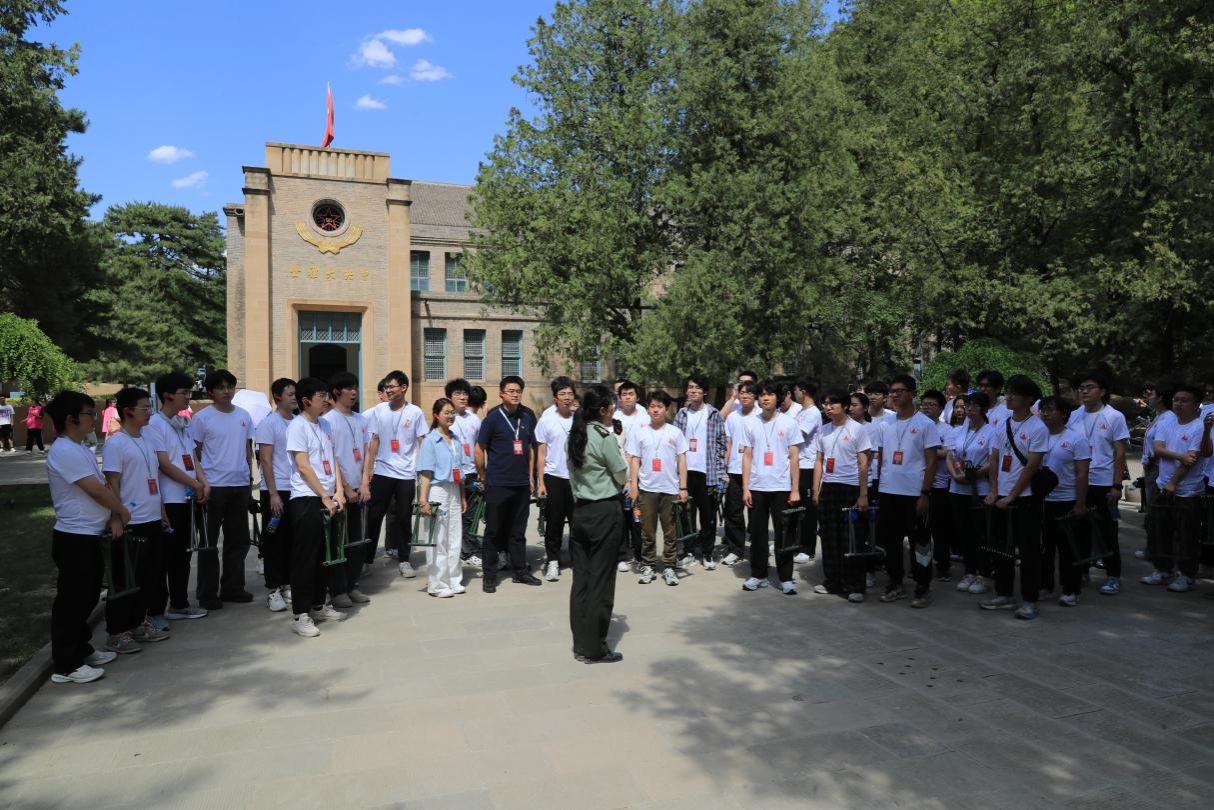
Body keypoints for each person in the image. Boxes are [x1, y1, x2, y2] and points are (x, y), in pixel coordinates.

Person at [45, 391, 127, 684]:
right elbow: (95, 490)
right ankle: (66, 665)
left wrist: (114, 515)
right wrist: (121, 511)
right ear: (71, 419)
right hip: (74, 537)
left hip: (89, 533)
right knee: (73, 600)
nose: (94, 419)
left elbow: (103, 485)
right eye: (89, 414)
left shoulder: (80, 448)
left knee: (88, 595)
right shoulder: (64, 451)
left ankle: (81, 649)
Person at [101, 386, 171, 652]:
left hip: (151, 517)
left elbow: (153, 480)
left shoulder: (147, 441)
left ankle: (138, 623)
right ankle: (117, 632)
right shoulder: (116, 443)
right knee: (126, 579)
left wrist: (162, 512)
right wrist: (115, 517)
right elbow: (112, 484)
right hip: (130, 521)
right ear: (128, 410)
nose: (149, 411)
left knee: (148, 577)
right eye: (144, 407)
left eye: (149, 406)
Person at [568, 385, 628, 664]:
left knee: (582, 579)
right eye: (611, 405)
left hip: (581, 510)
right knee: (601, 581)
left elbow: (571, 475)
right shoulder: (604, 437)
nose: (614, 409)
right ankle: (595, 648)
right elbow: (621, 473)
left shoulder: (575, 435)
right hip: (604, 510)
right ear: (602, 410)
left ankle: (581, 642)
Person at [284, 377, 347, 637]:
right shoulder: (297, 426)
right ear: (306, 400)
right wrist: (323, 495)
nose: (327, 400)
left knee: (324, 556)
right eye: (321, 396)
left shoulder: (325, 424)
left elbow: (333, 458)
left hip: (328, 497)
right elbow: (303, 466)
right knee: (305, 559)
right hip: (307, 498)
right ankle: (301, 614)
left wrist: (339, 490)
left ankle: (319, 605)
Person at [982, 375, 1048, 619]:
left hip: (1025, 498)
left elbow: (1032, 467)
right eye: (1008, 392)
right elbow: (994, 460)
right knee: (1001, 548)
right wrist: (993, 491)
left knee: (1028, 551)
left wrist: (1012, 495)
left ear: (1028, 399)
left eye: (1014, 394)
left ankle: (1030, 600)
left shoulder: (1037, 428)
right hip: (1000, 496)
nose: (1008, 397)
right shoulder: (1002, 425)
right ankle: (1004, 593)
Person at [145, 372, 210, 621]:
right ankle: (156, 610)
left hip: (188, 498)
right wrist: (194, 483)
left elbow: (192, 457)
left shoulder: (182, 423)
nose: (188, 397)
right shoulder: (155, 425)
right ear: (167, 395)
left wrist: (204, 482)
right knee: (166, 556)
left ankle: (180, 603)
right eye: (184, 392)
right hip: (170, 500)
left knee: (184, 553)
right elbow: (164, 464)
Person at [190, 369, 256, 610]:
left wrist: (249, 478)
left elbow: (247, 449)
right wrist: (201, 482)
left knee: (238, 541)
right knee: (209, 543)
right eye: (220, 387)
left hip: (239, 485)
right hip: (213, 487)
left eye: (230, 386)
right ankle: (207, 594)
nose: (227, 391)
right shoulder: (202, 418)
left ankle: (233, 587)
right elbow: (195, 452)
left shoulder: (244, 415)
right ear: (211, 392)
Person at [875, 375, 941, 608]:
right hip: (888, 491)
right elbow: (881, 458)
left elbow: (932, 461)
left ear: (913, 394)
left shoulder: (925, 424)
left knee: (920, 542)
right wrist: (880, 487)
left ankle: (923, 586)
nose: (894, 395)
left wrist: (925, 493)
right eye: (892, 391)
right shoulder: (885, 424)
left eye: (900, 391)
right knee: (891, 541)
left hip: (914, 493)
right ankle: (895, 582)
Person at [1140, 385, 1214, 593]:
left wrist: (1174, 482)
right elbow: (1158, 449)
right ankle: (1163, 570)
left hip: (1188, 491)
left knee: (1186, 535)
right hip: (1163, 485)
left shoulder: (1199, 427)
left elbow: (1192, 459)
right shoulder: (1167, 422)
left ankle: (1186, 575)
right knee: (1159, 530)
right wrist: (1179, 456)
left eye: (1185, 400)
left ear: (1197, 405)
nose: (1179, 403)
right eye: (1176, 399)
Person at [475, 376, 542, 593]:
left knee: (518, 531)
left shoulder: (526, 417)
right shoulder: (493, 418)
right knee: (493, 531)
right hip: (498, 483)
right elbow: (479, 448)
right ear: (501, 394)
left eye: (518, 391)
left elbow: (530, 448)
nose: (515, 394)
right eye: (511, 391)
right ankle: (489, 575)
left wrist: (531, 478)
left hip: (521, 484)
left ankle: (520, 571)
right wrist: (483, 475)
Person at [1067, 371, 1130, 595]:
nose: (1084, 391)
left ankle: (1113, 576)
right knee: (1079, 529)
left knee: (1106, 531)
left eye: (1090, 387)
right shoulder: (1074, 415)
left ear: (1102, 391)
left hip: (1103, 481)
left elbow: (1119, 453)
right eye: (1082, 387)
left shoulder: (1114, 416)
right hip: (1077, 480)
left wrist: (1117, 485)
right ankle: (1082, 571)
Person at [360, 370, 428, 577]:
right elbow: (374, 441)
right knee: (374, 517)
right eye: (386, 387)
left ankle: (405, 560)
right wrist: (368, 471)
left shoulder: (415, 412)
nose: (388, 390)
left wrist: (424, 471)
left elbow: (422, 440)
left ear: (404, 388)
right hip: (382, 471)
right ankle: (366, 560)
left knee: (404, 518)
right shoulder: (379, 410)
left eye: (391, 386)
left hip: (406, 474)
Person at [740, 381, 803, 594]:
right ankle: (758, 574)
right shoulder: (750, 423)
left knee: (784, 533)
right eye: (762, 395)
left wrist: (795, 489)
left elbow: (794, 458)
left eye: (770, 394)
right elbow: (747, 457)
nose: (765, 398)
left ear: (778, 397)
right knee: (758, 534)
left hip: (781, 486)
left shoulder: (789, 423)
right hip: (757, 486)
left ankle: (786, 578)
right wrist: (745, 488)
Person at [811, 389, 872, 602]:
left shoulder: (858, 429)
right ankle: (832, 581)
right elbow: (819, 460)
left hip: (851, 488)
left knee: (851, 538)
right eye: (825, 404)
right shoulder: (823, 430)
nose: (828, 407)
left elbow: (863, 463)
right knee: (829, 537)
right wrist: (816, 490)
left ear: (845, 406)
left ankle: (855, 586)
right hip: (829, 488)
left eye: (833, 403)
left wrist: (863, 494)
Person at [626, 390, 689, 586]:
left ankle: (669, 565)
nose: (655, 410)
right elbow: (634, 460)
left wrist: (683, 487)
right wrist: (633, 485)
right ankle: (649, 565)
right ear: (647, 409)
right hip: (647, 489)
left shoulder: (675, 432)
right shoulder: (639, 432)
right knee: (647, 531)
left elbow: (682, 460)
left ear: (666, 409)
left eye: (660, 407)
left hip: (670, 489)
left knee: (670, 531)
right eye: (652, 406)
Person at [322, 373, 372, 606]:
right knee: (339, 543)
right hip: (339, 492)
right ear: (336, 392)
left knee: (357, 542)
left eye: (355, 388)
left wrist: (364, 483)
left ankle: (353, 585)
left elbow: (367, 452)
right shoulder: (327, 421)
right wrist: (346, 488)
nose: (354, 392)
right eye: (348, 388)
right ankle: (338, 590)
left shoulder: (361, 420)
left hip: (360, 491)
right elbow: (332, 458)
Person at [1037, 396, 1091, 605]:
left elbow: (1082, 473)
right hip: (1042, 500)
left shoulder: (1076, 439)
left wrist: (1080, 502)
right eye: (1043, 409)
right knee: (1045, 547)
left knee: (1068, 548)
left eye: (1050, 409)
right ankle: (1045, 585)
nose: (1045, 413)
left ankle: (1071, 589)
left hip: (1066, 499)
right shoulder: (1037, 437)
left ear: (1064, 414)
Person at [673, 374, 726, 569]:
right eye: (690, 387)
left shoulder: (713, 414)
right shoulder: (681, 414)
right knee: (686, 515)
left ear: (705, 392)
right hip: (686, 472)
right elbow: (674, 443)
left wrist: (720, 471)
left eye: (697, 387)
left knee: (707, 516)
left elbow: (721, 443)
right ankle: (688, 550)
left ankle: (707, 552)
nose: (693, 391)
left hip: (707, 473)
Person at [416, 398, 469, 598]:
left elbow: (460, 472)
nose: (450, 416)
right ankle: (437, 584)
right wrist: (423, 500)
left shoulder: (456, 440)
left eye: (452, 412)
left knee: (455, 536)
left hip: (454, 489)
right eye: (446, 412)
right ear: (436, 415)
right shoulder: (431, 440)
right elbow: (426, 473)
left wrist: (462, 496)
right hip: (437, 490)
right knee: (438, 537)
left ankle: (454, 579)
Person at [946, 393, 996, 595]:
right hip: (957, 488)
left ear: (984, 409)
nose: (969, 409)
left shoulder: (992, 431)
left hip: (979, 489)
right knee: (964, 532)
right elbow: (950, 455)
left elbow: (993, 461)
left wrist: (974, 475)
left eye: (974, 405)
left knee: (980, 533)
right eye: (968, 405)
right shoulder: (958, 430)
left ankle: (983, 573)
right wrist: (955, 475)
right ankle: (969, 571)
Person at [255, 379, 296, 613]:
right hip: (275, 490)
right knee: (273, 541)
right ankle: (273, 589)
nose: (294, 397)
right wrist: (272, 493)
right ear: (278, 396)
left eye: (295, 393)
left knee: (291, 539)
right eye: (290, 394)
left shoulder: (298, 422)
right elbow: (266, 459)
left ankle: (287, 583)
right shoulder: (268, 424)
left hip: (296, 489)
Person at [536, 377, 577, 581]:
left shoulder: (580, 419)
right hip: (554, 477)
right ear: (555, 398)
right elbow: (541, 453)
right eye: (562, 394)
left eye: (570, 394)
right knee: (554, 522)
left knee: (577, 522)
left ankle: (578, 560)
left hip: (576, 479)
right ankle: (553, 560)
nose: (567, 397)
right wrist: (541, 482)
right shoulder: (546, 420)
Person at [918, 390, 956, 582]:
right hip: (917, 484)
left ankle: (943, 565)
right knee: (920, 530)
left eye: (931, 405)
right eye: (924, 404)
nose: (926, 408)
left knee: (940, 529)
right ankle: (921, 565)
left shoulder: (946, 430)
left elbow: (949, 453)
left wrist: (928, 450)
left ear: (941, 409)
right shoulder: (916, 426)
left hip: (940, 485)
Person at [445, 378, 483, 565]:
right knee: (453, 514)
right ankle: (460, 552)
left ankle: (468, 551)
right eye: (458, 393)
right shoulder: (447, 418)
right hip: (453, 475)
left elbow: (479, 448)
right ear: (449, 397)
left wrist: (482, 473)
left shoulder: (474, 419)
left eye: (465, 393)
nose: (462, 397)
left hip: (471, 474)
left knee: (471, 513)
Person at [612, 380, 648, 571]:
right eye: (624, 395)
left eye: (630, 394)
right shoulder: (614, 416)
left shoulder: (645, 415)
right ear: (619, 398)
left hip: (640, 473)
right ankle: (621, 555)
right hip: (619, 474)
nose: (627, 398)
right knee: (620, 517)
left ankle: (640, 555)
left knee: (638, 517)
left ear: (637, 396)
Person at [721, 381, 759, 566]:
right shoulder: (732, 417)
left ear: (755, 395)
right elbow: (728, 443)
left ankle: (758, 551)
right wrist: (725, 468)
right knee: (733, 511)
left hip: (756, 472)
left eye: (749, 393)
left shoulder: (761, 416)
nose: (745, 396)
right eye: (742, 392)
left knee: (756, 514)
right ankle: (735, 549)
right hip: (735, 470)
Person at [793, 377, 822, 564]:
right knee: (796, 508)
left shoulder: (813, 413)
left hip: (808, 466)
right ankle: (796, 543)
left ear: (803, 390)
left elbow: (796, 436)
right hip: (797, 464)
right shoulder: (801, 411)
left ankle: (807, 548)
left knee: (808, 510)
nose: (795, 393)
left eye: (796, 389)